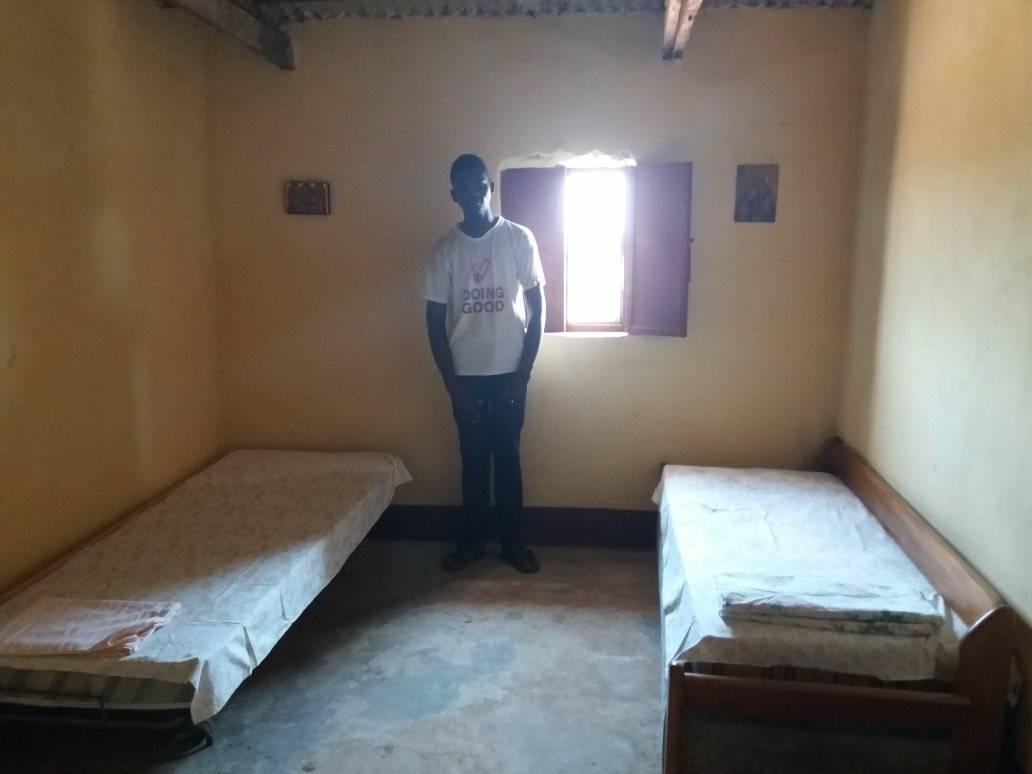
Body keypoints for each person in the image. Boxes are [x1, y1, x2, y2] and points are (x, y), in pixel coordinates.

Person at [424, 154, 545, 574]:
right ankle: (471, 543)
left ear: (490, 187)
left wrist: (523, 375)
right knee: (473, 462)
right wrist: (453, 387)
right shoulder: (444, 249)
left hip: (511, 374)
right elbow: (434, 322)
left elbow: (538, 309)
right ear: (453, 194)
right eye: (463, 187)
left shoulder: (518, 238)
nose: (473, 193)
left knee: (508, 459)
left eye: (479, 185)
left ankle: (513, 544)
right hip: (466, 378)